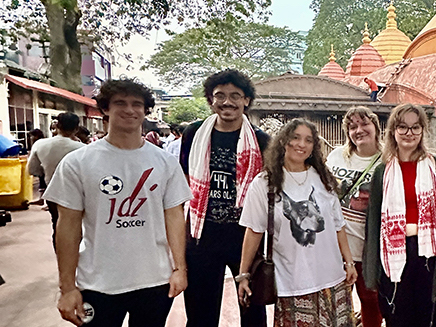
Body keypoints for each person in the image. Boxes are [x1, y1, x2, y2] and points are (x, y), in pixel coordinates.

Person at [43, 79, 192, 327]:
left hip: (154, 281)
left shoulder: (164, 162)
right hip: (97, 283)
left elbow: (174, 216)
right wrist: (67, 287)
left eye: (137, 104)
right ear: (105, 109)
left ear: (146, 111)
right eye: (120, 103)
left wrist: (179, 269)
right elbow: (67, 227)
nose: (129, 110)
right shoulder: (78, 162)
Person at [237, 119, 358, 327]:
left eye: (308, 140)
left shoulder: (324, 179)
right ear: (284, 141)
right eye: (296, 137)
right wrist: (243, 274)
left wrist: (348, 262)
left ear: (314, 146)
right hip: (291, 282)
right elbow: (254, 231)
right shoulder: (264, 183)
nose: (301, 144)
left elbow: (338, 226)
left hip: (332, 279)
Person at [181, 69, 270, 327]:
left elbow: (268, 189)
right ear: (211, 100)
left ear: (247, 101)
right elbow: (186, 177)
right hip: (202, 234)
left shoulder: (262, 141)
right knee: (200, 311)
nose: (227, 102)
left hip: (245, 237)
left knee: (252, 310)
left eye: (235, 96)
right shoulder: (193, 134)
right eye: (220, 95)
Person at [363, 103, 436, 327]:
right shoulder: (382, 172)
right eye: (403, 127)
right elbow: (374, 224)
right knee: (398, 318)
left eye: (415, 127)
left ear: (423, 131)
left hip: (432, 257)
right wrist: (372, 272)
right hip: (395, 256)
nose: (409, 133)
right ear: (392, 131)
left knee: (431, 318)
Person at [325, 106, 383, 327]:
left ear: (375, 127)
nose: (359, 130)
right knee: (335, 303)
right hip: (335, 247)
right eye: (352, 126)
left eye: (364, 124)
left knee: (371, 302)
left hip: (367, 247)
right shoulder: (337, 156)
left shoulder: (387, 160)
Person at [27, 113, 85, 248]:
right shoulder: (82, 149)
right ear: (77, 129)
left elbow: (33, 170)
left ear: (57, 126)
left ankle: (62, 259)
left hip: (52, 193)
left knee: (57, 225)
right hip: (78, 193)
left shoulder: (40, 145)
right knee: (79, 227)